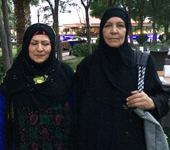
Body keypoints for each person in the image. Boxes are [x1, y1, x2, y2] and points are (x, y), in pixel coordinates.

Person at [71, 7, 169, 150]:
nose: (114, 31)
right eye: (108, 25)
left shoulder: (142, 63)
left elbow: (163, 98)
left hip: (132, 141)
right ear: (101, 30)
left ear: (127, 30)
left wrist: (151, 102)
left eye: (120, 25)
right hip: (95, 140)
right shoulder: (87, 66)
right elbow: (76, 109)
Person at [0, 23, 74, 150]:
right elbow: (0, 121)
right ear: (26, 46)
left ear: (52, 46)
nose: (39, 49)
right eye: (34, 43)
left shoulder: (65, 74)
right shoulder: (14, 77)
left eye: (45, 44)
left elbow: (77, 112)